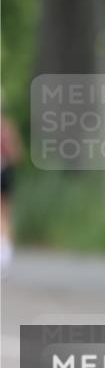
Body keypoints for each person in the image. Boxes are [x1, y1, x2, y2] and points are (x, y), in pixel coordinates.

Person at [1, 110, 24, 274]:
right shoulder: (7, 127)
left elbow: (16, 154)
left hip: (4, 172)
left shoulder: (7, 128)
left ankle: (5, 255)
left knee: (4, 213)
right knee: (5, 214)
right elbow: (17, 155)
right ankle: (5, 255)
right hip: (6, 171)